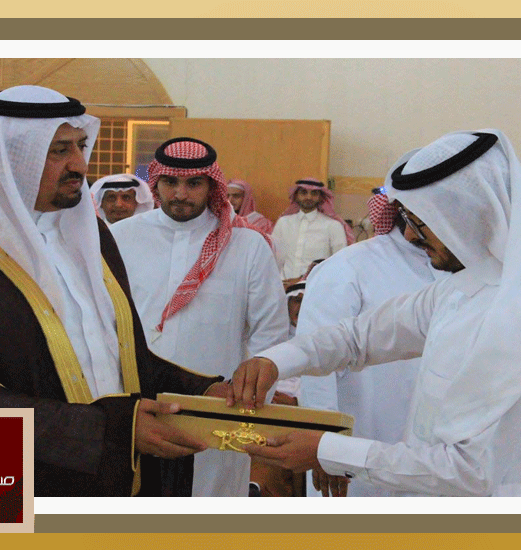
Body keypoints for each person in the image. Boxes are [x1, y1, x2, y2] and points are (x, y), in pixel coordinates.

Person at [0, 86, 227, 497]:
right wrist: (107, 429)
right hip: (15, 489)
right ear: (10, 158)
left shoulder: (91, 234)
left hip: (114, 478)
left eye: (80, 145)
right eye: (59, 150)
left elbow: (120, 357)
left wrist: (204, 392)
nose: (79, 164)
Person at [229, 129, 521, 497]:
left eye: (421, 224)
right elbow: (361, 336)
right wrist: (277, 360)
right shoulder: (467, 287)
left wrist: (327, 450)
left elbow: (469, 471)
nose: (411, 236)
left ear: (465, 218)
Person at [110, 137, 289, 497]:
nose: (181, 194)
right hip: (136, 405)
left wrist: (249, 404)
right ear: (156, 183)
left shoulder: (247, 246)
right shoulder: (120, 237)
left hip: (217, 408)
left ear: (211, 185)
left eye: (193, 183)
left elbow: (269, 334)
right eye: (170, 182)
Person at [296, 178, 443, 497]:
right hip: (359, 447)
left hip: (437, 455)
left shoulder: (463, 271)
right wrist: (325, 441)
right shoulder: (348, 268)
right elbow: (315, 364)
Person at [270, 178, 354, 283]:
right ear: (296, 196)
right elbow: (273, 257)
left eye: (314, 193)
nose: (309, 197)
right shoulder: (283, 223)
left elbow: (339, 261)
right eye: (303, 192)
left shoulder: (333, 226)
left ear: (320, 197)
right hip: (283, 284)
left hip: (317, 285)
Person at [89, 173, 155, 225]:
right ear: (101, 203)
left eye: (126, 198)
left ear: (136, 202)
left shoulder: (147, 233)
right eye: (111, 198)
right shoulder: (91, 233)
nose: (118, 205)